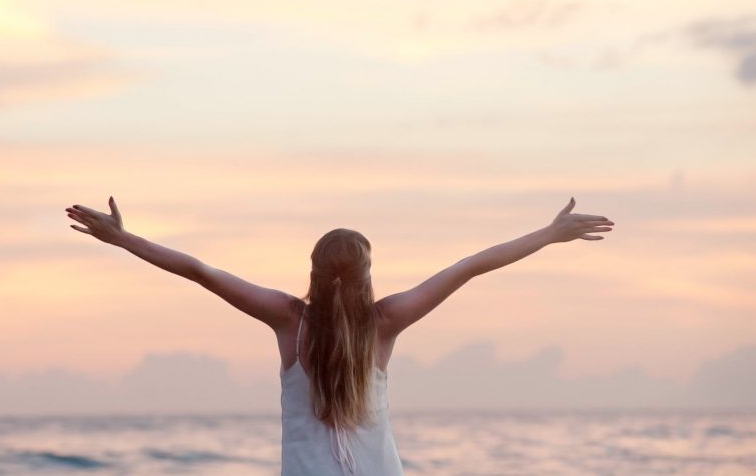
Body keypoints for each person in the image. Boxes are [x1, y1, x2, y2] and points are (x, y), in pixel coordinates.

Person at [65, 196, 614, 475]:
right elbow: (472, 265)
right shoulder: (388, 320)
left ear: (312, 267)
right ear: (367, 273)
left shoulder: (287, 320)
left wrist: (123, 239)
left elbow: (200, 271)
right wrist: (548, 234)